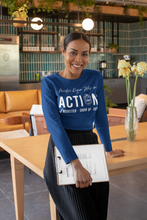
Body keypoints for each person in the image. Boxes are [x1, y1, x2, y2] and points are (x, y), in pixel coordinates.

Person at [41, 31, 125, 220]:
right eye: (73, 52)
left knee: (97, 211)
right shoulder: (50, 83)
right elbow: (55, 126)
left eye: (84, 54)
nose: (79, 59)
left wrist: (108, 148)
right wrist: (76, 164)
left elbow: (101, 116)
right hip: (64, 149)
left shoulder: (94, 77)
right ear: (63, 52)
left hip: (91, 144)